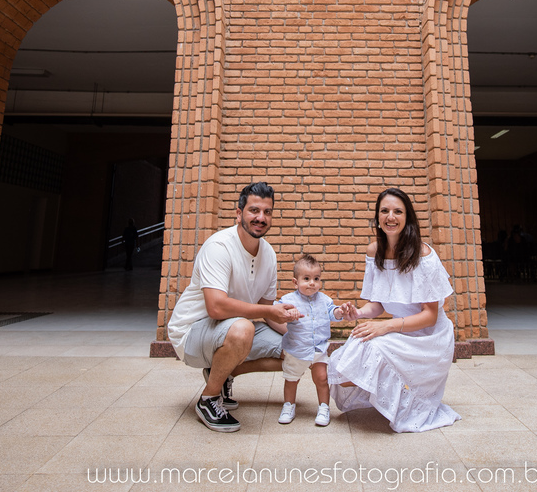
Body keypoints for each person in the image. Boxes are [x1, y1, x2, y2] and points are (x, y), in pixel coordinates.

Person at [166, 182, 301, 432]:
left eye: (267, 212)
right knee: (242, 329)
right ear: (239, 214)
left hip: (233, 329)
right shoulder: (219, 246)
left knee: (296, 351)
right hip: (193, 332)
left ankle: (224, 372)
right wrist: (267, 312)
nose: (261, 218)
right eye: (254, 210)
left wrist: (300, 336)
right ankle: (208, 399)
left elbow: (266, 309)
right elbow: (216, 308)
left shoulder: (269, 255)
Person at [327, 187, 460, 432]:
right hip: (399, 328)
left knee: (374, 347)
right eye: (385, 211)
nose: (391, 217)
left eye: (398, 211)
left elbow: (430, 316)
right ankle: (390, 397)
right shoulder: (373, 252)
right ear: (377, 217)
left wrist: (386, 327)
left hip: (429, 336)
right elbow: (378, 305)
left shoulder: (424, 255)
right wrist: (358, 313)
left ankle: (407, 400)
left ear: (407, 218)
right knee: (346, 363)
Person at [273, 254, 348, 427]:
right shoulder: (288, 300)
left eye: (316, 278)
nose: (312, 283)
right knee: (292, 379)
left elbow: (332, 312)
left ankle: (323, 407)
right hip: (297, 349)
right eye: (306, 279)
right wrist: (286, 314)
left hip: (319, 349)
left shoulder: (324, 300)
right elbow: (276, 312)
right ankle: (289, 405)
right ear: (295, 282)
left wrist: (338, 312)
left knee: (322, 378)